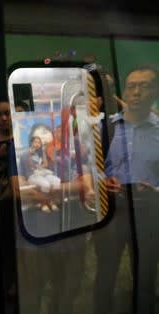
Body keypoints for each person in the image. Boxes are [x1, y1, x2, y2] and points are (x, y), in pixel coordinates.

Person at [93, 65, 159, 314]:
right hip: (112, 213)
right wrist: (103, 181)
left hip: (149, 213)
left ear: (155, 92)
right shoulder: (105, 128)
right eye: (132, 86)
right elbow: (91, 167)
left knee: (145, 274)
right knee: (105, 275)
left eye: (145, 86)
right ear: (125, 92)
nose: (137, 92)